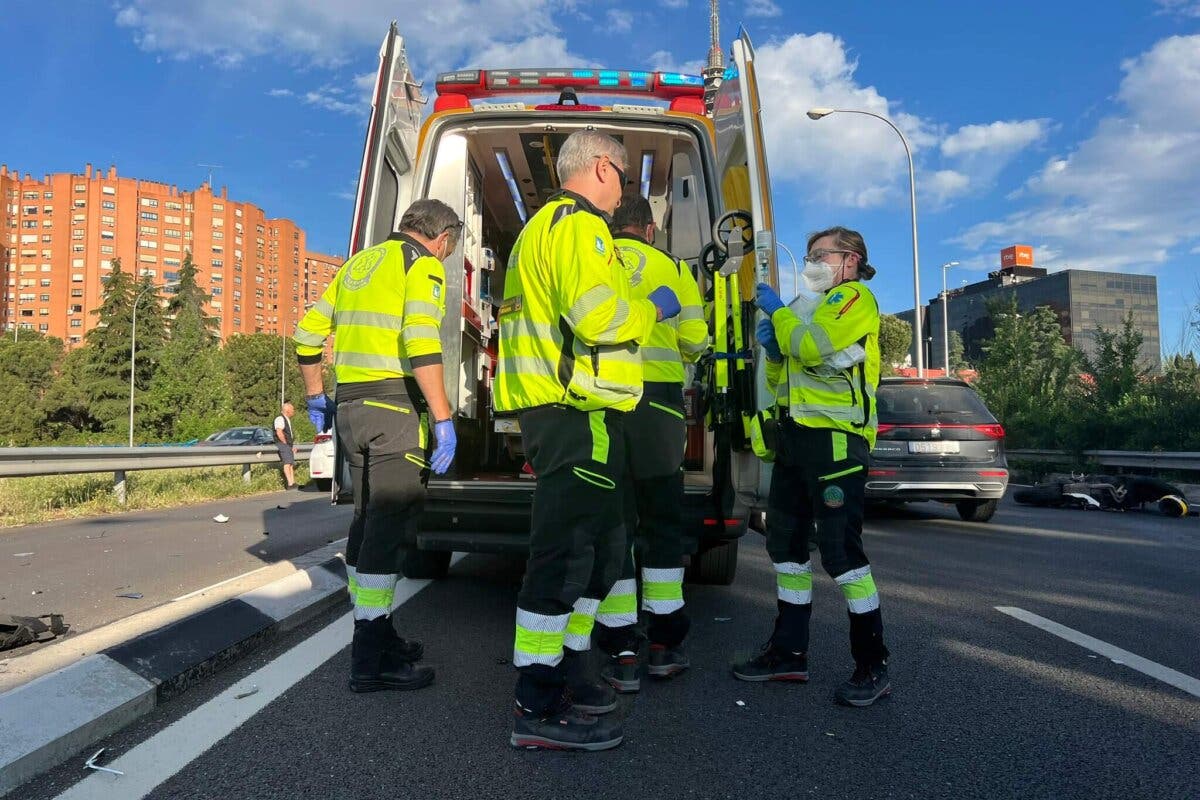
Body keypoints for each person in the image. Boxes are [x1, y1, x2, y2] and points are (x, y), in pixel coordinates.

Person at [494, 131, 682, 751]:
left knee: (593, 554)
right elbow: (599, 317)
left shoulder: (538, 228)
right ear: (603, 168)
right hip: (582, 412)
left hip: (555, 410)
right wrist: (651, 307)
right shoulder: (583, 227)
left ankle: (567, 672)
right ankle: (537, 703)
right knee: (565, 557)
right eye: (625, 176)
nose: (624, 188)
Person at [293, 198, 462, 694]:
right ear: (442, 238)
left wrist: (315, 396)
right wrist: (443, 415)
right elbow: (420, 338)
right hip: (394, 409)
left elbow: (306, 336)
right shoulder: (421, 264)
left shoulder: (357, 266)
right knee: (389, 531)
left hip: (350, 410)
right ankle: (369, 661)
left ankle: (381, 636)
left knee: (368, 522)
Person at [735, 226, 892, 707]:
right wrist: (776, 351)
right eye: (808, 256)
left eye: (818, 255)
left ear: (849, 260)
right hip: (796, 442)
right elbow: (786, 376)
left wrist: (783, 322)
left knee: (841, 556)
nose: (810, 263)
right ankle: (789, 653)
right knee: (785, 548)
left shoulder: (854, 298)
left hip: (837, 445)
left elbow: (811, 346)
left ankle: (872, 664)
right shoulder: (809, 307)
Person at [595, 194, 708, 692]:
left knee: (614, 521)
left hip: (604, 400)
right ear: (647, 228)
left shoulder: (595, 257)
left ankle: (620, 646)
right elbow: (696, 342)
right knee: (661, 519)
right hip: (659, 406)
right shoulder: (673, 269)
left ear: (613, 225)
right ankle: (664, 644)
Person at [273, 402, 299, 489]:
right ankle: (289, 484)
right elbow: (279, 432)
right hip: (282, 444)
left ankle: (293, 482)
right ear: (287, 410)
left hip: (287, 444)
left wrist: (291, 445)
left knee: (290, 463)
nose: (293, 411)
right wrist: (285, 443)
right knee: (287, 463)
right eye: (292, 409)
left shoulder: (286, 419)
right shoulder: (280, 419)